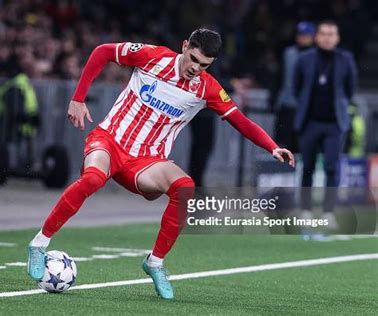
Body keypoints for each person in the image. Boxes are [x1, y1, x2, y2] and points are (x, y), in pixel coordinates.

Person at [27, 28, 295, 299]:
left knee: (185, 187)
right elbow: (102, 52)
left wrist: (272, 146)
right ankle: (39, 244)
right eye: (193, 59)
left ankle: (155, 262)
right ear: (185, 46)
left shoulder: (208, 88)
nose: (195, 68)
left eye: (204, 65)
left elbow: (241, 121)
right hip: (109, 140)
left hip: (147, 160)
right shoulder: (152, 57)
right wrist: (78, 98)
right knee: (93, 178)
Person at [294, 20, 358, 227]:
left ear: (337, 38)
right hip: (310, 122)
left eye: (331, 34)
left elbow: (350, 89)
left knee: (332, 167)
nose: (327, 37)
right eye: (324, 34)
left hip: (334, 124)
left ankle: (328, 213)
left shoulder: (345, 59)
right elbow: (297, 87)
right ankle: (305, 210)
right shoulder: (305, 59)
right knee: (307, 167)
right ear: (316, 37)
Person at [275, 21, 315, 153]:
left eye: (306, 35)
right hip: (287, 105)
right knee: (283, 143)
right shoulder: (288, 53)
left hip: (308, 109)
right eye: (300, 34)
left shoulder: (317, 56)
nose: (302, 37)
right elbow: (280, 76)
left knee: (304, 145)